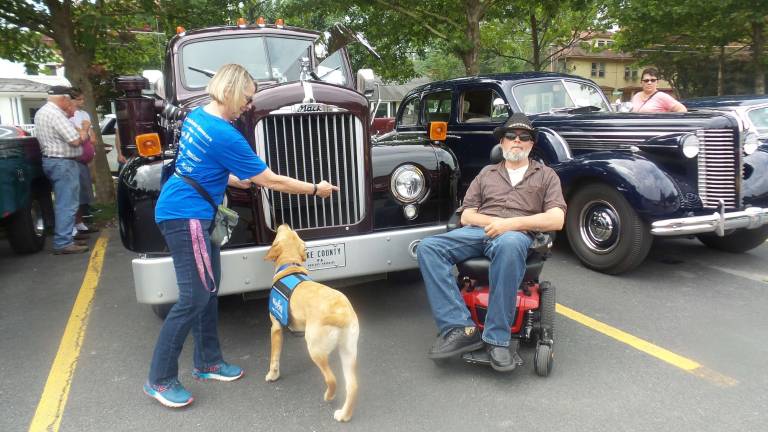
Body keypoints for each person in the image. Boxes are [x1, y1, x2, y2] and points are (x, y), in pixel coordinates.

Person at [145, 63, 339, 408]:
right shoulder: (224, 132)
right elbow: (272, 181)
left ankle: (208, 361)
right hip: (186, 216)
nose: (248, 106)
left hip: (191, 210)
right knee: (193, 297)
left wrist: (231, 179)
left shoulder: (196, 118)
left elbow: (194, 162)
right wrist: (315, 189)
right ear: (232, 91)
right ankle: (159, 379)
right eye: (247, 98)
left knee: (209, 290)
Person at [416, 113, 566, 372]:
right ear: (502, 142)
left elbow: (556, 219)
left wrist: (511, 224)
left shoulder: (546, 175)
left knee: (508, 245)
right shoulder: (487, 173)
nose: (517, 141)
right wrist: (492, 222)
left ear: (531, 144)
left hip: (517, 235)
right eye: (511, 136)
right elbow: (467, 214)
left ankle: (498, 338)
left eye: (524, 137)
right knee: (428, 248)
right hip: (480, 231)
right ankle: (459, 327)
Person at [34, 85, 90, 254]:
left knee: (63, 202)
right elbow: (74, 140)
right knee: (67, 203)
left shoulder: (42, 112)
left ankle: (65, 237)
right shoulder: (56, 114)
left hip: (54, 161)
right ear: (64, 99)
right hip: (63, 163)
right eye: (69, 100)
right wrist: (84, 130)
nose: (70, 104)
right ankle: (63, 242)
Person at [68, 88, 99, 235]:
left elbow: (91, 138)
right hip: (74, 159)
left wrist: (85, 131)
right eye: (79, 99)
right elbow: (78, 137)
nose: (82, 102)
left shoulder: (84, 114)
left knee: (84, 191)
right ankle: (73, 226)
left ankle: (81, 223)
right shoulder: (67, 116)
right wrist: (84, 130)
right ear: (70, 100)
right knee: (74, 193)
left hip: (85, 159)